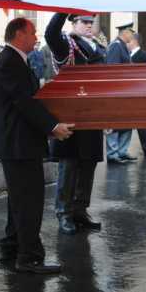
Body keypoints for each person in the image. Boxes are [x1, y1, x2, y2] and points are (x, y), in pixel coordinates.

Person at [0, 18, 74, 274]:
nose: (36, 36)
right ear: (18, 34)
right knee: (29, 201)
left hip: (19, 143)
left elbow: (29, 98)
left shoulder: (16, 60)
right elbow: (24, 101)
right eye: (32, 32)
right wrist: (52, 127)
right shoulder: (9, 61)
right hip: (19, 144)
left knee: (19, 200)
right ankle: (29, 258)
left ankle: (12, 248)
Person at [45, 13, 106, 235]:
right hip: (70, 111)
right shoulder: (66, 44)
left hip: (92, 112)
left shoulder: (98, 47)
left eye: (91, 22)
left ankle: (80, 210)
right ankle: (64, 212)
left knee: (88, 162)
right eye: (84, 22)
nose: (89, 26)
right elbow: (50, 33)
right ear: (73, 23)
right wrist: (62, 9)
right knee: (69, 164)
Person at [105, 25, 135, 164]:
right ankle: (113, 153)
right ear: (125, 32)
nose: (132, 36)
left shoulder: (122, 45)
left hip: (125, 90)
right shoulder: (116, 46)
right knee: (115, 122)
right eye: (131, 33)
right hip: (117, 90)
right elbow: (112, 69)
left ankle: (122, 152)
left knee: (126, 122)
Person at [128, 32, 146, 159]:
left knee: (142, 122)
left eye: (128, 41)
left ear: (134, 41)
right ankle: (120, 150)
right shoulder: (125, 55)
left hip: (139, 92)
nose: (126, 43)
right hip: (126, 93)